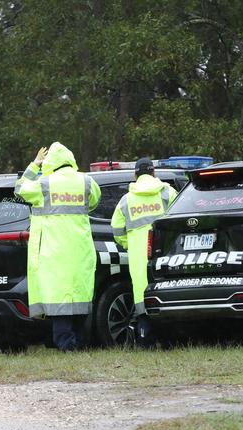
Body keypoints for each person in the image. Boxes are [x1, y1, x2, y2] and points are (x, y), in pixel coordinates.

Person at [15, 142, 101, 351]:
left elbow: (19, 190)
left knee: (59, 299)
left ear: (51, 163)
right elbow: (94, 202)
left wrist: (34, 165)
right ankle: (79, 344)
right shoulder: (86, 181)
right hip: (80, 250)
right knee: (79, 296)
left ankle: (66, 345)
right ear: (70, 159)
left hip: (54, 252)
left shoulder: (44, 184)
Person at [111, 158, 177, 348]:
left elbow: (116, 228)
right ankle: (168, 342)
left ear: (135, 175)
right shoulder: (167, 192)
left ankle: (144, 340)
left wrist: (129, 243)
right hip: (165, 254)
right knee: (165, 295)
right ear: (154, 172)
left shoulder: (126, 200)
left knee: (142, 296)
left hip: (139, 256)